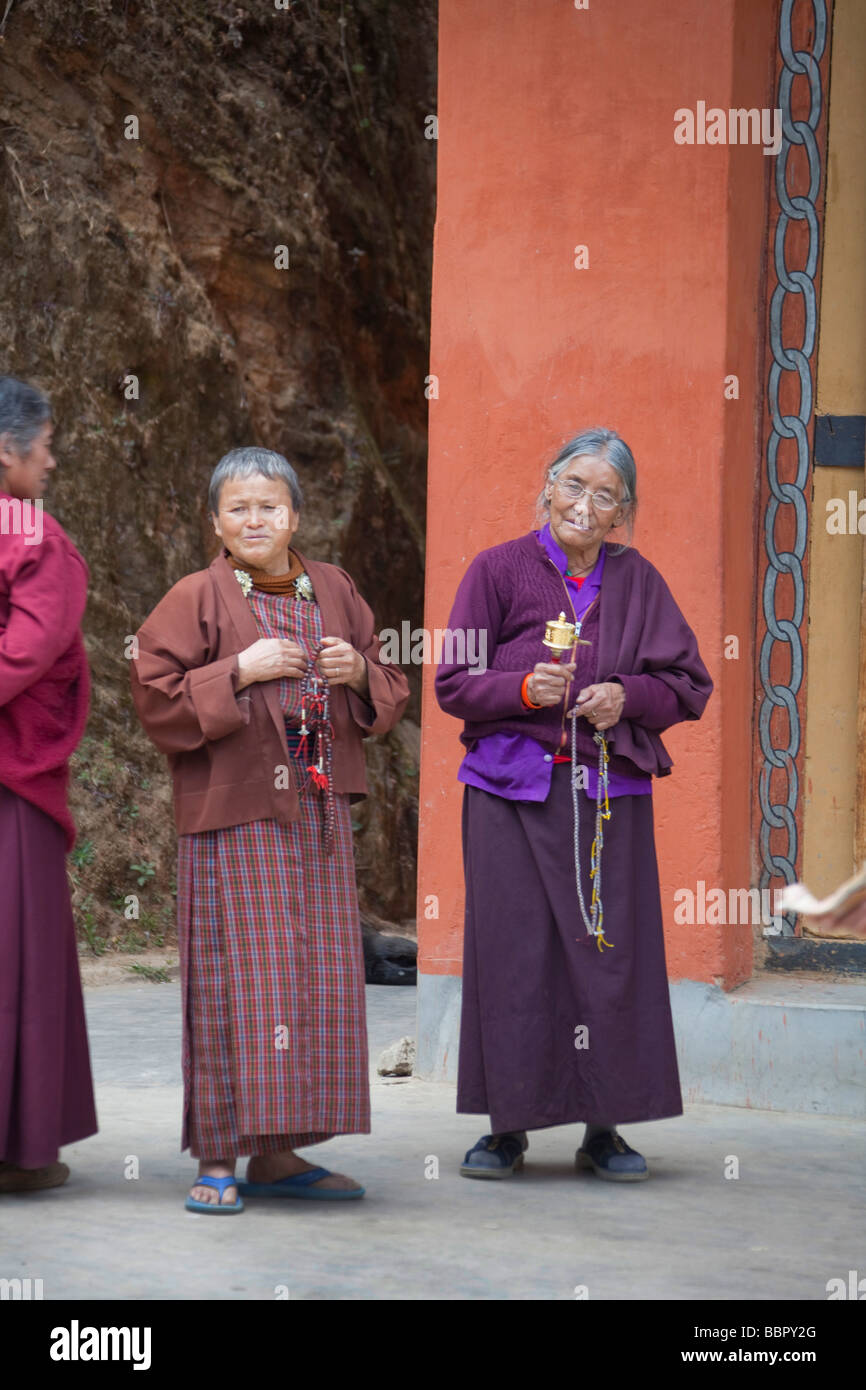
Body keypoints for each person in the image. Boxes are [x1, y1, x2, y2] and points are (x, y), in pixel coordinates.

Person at [130, 446, 409, 1212]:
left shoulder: (336, 589)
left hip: (316, 815)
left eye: (270, 506)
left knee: (305, 981)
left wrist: (359, 674)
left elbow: (389, 687)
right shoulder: (195, 597)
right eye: (239, 508)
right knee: (231, 981)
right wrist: (240, 672)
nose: (256, 519)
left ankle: (280, 1154)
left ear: (296, 514)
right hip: (236, 816)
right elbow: (155, 700)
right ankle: (218, 1157)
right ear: (215, 520)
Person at [435, 427, 713, 1182]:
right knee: (514, 955)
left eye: (606, 496)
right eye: (574, 486)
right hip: (510, 792)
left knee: (606, 958)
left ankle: (604, 1127)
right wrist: (524, 689)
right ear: (548, 486)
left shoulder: (638, 581)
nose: (586, 507)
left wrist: (626, 698)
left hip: (604, 796)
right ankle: (507, 1129)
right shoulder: (498, 570)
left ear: (623, 513)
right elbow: (453, 682)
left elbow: (689, 684)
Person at [0, 376, 97, 1194]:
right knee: (13, 956)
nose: (52, 460)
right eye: (46, 444)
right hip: (11, 782)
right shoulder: (31, 532)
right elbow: (28, 653)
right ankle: (19, 1148)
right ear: (7, 450)